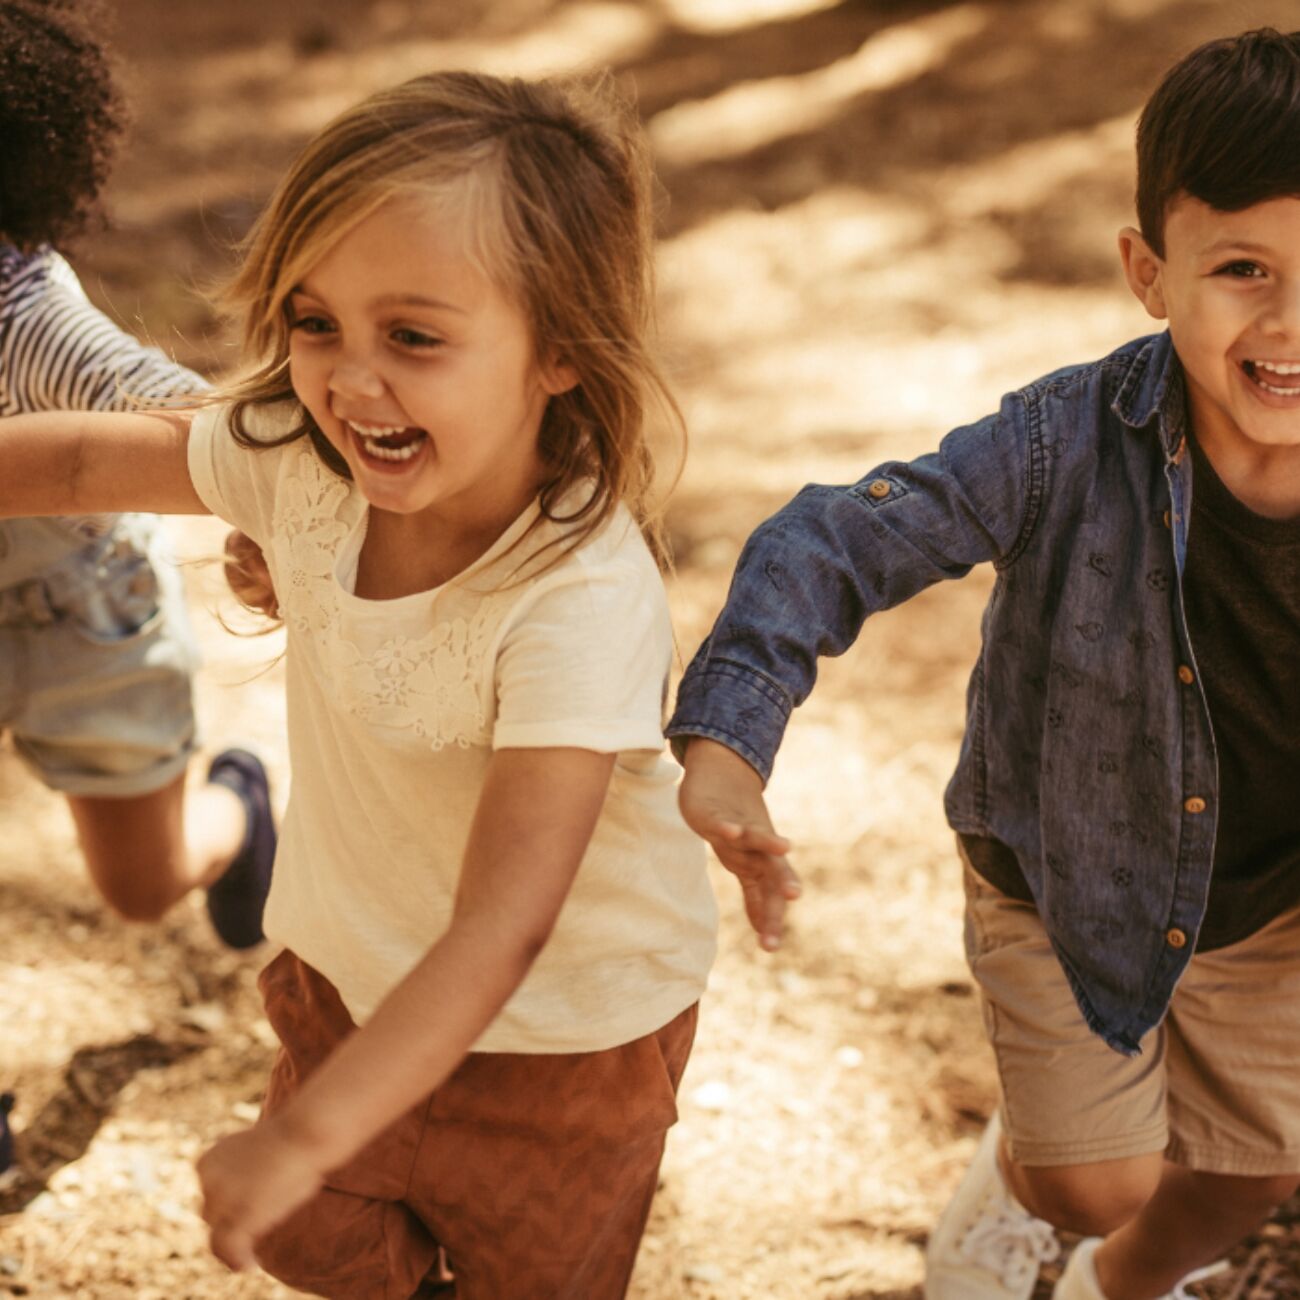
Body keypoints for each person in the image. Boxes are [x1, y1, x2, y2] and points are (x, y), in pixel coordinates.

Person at [0, 68, 717, 1298]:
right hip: (346, 970)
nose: (347, 378)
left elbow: (506, 925)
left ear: (560, 351)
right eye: (314, 321)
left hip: (565, 1042)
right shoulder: (299, 458)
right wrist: (310, 1143)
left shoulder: (577, 599)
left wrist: (304, 1134)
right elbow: (72, 454)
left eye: (414, 337)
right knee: (303, 1234)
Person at [667, 27, 1300, 1300]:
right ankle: (1029, 1190)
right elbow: (831, 542)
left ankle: (1114, 1283)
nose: (1288, 323)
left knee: (1251, 1173)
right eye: (1242, 267)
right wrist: (728, 739)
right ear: (1148, 273)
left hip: (1273, 902)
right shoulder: (1064, 443)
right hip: (1070, 879)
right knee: (1096, 1173)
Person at [0, 0, 274, 949]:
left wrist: (278, 504)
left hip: (79, 600)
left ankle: (237, 811)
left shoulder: (25, 315)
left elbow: (184, 414)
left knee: (142, 885)